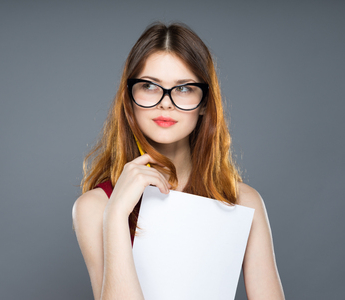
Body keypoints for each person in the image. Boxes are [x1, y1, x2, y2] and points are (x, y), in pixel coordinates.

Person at [72, 22, 285, 300]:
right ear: (129, 97)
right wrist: (115, 216)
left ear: (204, 102)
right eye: (149, 86)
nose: (166, 102)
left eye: (184, 88)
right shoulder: (96, 207)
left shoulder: (243, 202)